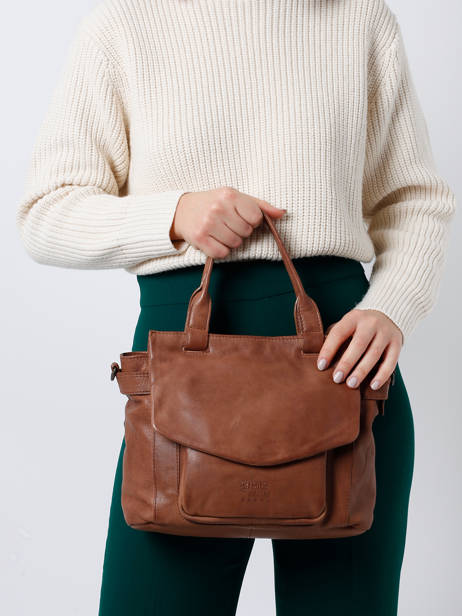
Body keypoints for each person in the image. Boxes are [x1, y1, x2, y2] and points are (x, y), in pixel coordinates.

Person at [16, 1, 456, 614]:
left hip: (345, 371)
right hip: (181, 386)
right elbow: (46, 213)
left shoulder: (358, 18)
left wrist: (394, 305)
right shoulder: (125, 23)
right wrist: (175, 214)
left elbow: (413, 199)